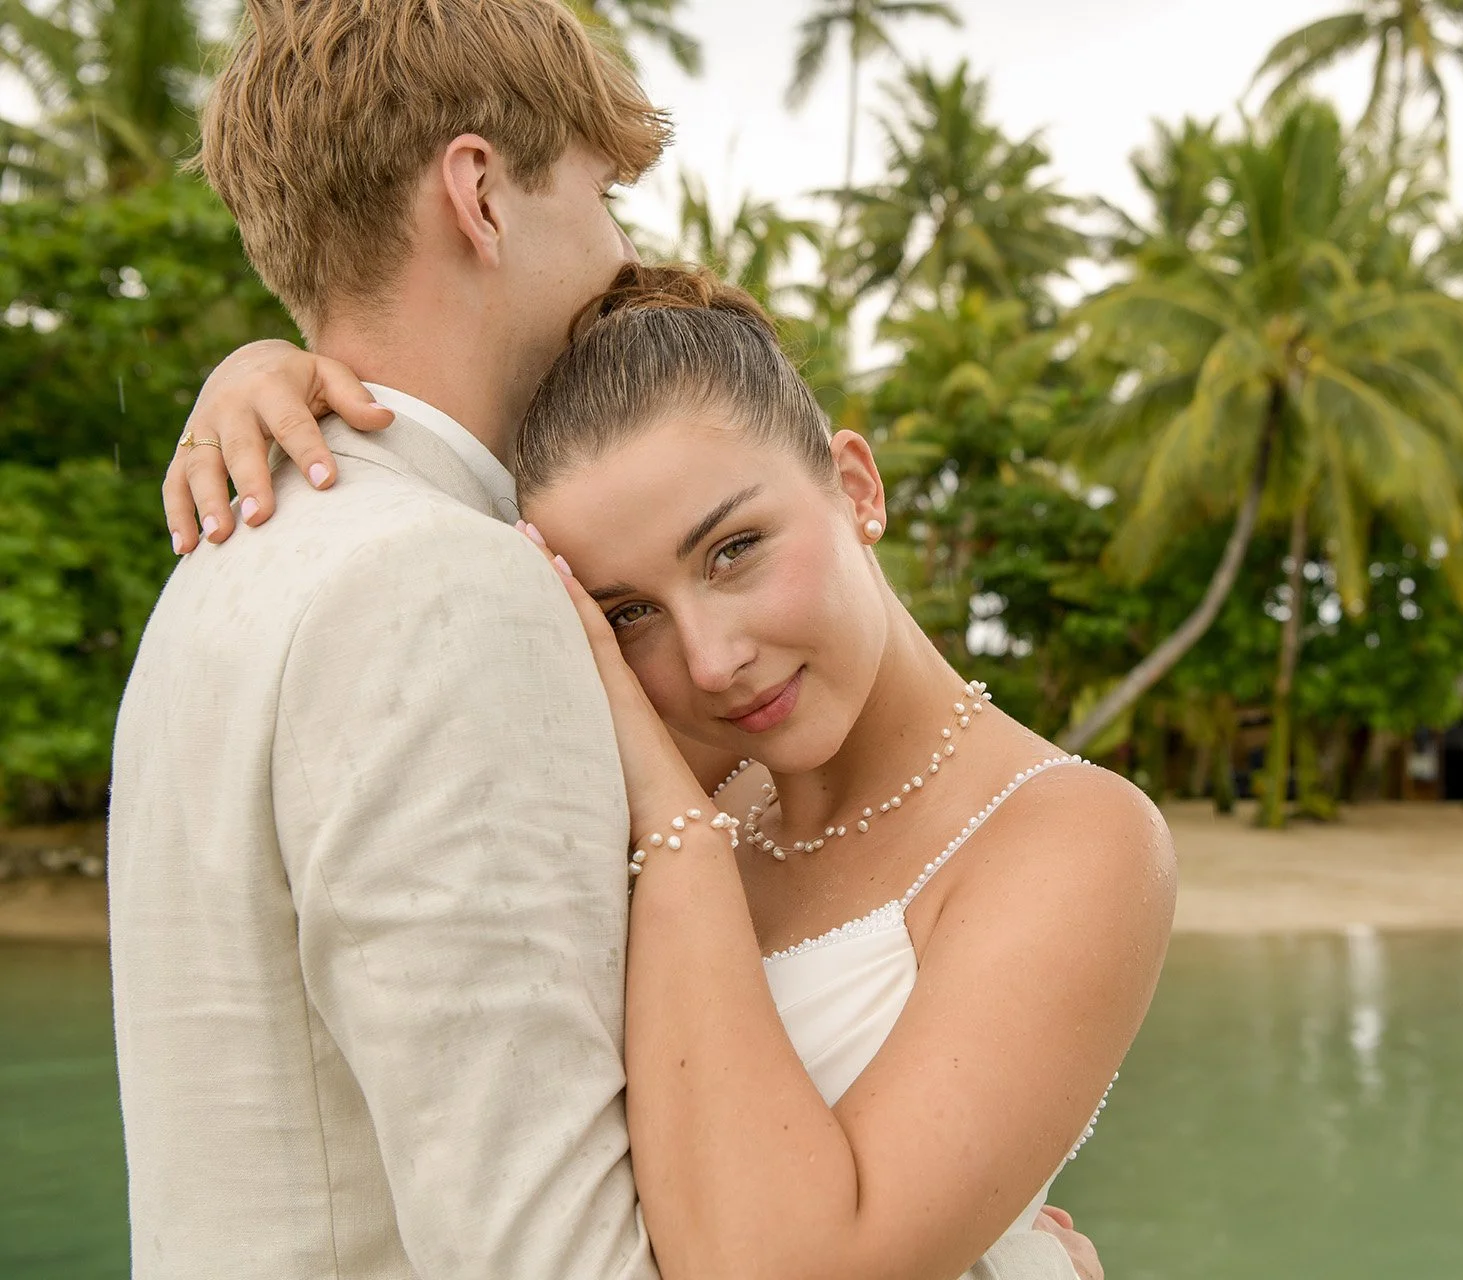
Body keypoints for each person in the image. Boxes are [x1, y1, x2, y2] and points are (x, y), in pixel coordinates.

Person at [111, 1, 1111, 1277]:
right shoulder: (445, 586)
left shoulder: (223, 557)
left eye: (735, 549)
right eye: (600, 197)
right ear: (479, 193)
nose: (617, 253)